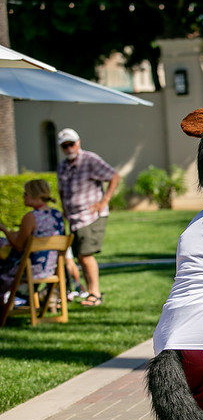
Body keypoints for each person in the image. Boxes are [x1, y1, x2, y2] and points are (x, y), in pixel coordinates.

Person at [56, 128, 120, 307]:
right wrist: (64, 210)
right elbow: (62, 191)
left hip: (90, 216)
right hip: (74, 218)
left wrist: (103, 201)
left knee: (85, 255)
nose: (68, 148)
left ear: (78, 142)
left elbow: (114, 176)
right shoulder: (62, 166)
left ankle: (95, 294)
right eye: (64, 145)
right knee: (79, 256)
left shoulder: (90, 159)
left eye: (71, 144)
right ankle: (89, 291)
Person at [0, 179, 66, 301]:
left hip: (30, 269)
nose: (23, 197)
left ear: (33, 195)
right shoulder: (56, 215)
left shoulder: (30, 217)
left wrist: (4, 230)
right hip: (51, 267)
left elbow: (19, 247)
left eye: (25, 194)